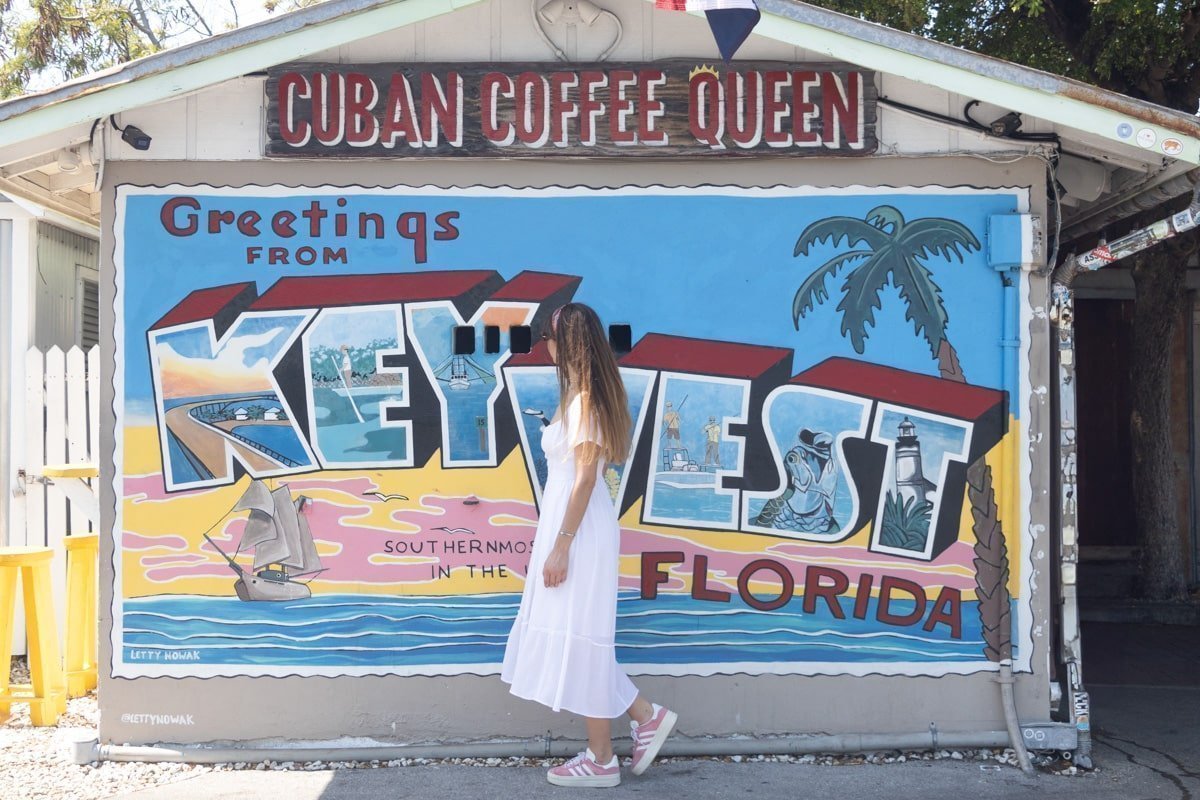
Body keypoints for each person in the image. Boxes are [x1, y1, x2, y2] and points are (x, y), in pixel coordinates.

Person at [501, 303, 677, 788]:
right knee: (577, 639)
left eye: (549, 344)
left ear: (564, 346)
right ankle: (641, 720)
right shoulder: (580, 396)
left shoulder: (585, 402)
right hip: (570, 527)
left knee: (581, 640)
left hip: (577, 531)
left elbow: (583, 480)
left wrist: (561, 546)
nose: (546, 353)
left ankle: (604, 757)